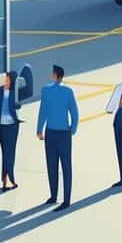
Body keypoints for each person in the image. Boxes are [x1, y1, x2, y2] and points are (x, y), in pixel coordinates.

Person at [36, 64, 79, 211]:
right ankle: (66, 200)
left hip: (50, 133)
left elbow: (43, 111)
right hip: (64, 134)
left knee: (51, 166)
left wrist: (39, 129)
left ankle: (53, 196)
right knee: (66, 167)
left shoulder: (46, 90)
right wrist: (72, 130)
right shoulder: (68, 91)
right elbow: (75, 113)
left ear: (55, 75)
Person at [0, 70, 21, 191]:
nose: (5, 81)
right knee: (9, 152)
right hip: (6, 125)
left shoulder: (6, 91)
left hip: (7, 124)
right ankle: (9, 180)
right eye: (5, 79)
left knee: (7, 152)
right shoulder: (6, 91)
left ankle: (5, 179)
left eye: (7, 79)